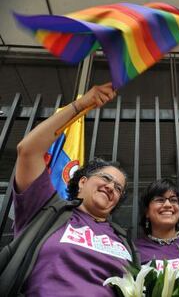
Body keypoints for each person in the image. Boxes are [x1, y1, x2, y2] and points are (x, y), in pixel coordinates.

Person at [13, 83, 137, 296]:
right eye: (105, 178)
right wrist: (81, 105)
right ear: (82, 181)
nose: (110, 187)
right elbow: (28, 150)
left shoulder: (122, 240)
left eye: (118, 188)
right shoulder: (45, 210)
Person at [135, 178, 179, 271]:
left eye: (173, 200)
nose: (168, 204)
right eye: (160, 200)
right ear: (146, 212)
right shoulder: (134, 250)